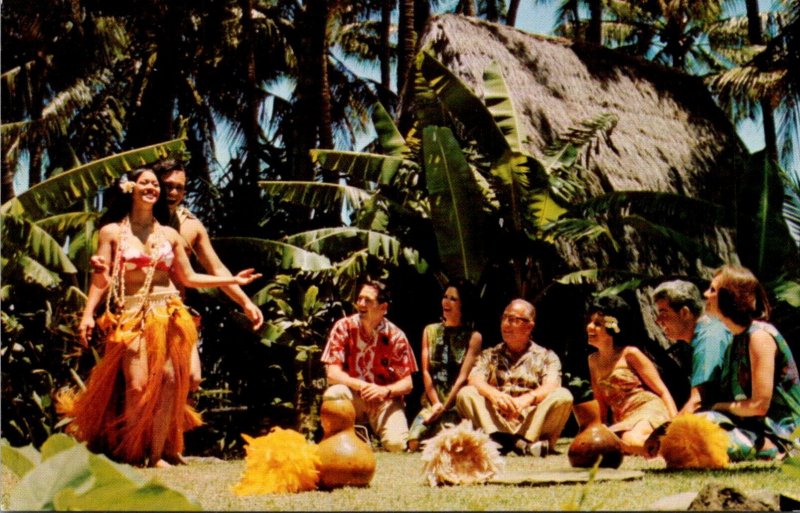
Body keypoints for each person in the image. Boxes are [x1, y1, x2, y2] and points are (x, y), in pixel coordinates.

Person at [57, 167, 261, 468]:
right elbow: (102, 280)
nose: (153, 189)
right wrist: (88, 314)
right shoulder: (112, 232)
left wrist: (233, 283)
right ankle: (132, 451)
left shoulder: (171, 234)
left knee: (169, 380)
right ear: (130, 188)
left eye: (155, 184)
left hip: (169, 311)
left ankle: (156, 455)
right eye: (146, 183)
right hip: (131, 313)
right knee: (137, 385)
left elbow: (189, 277)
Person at [700, 264, 800, 460]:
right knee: (696, 426)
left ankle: (779, 451)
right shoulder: (736, 339)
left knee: (704, 430)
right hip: (753, 427)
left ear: (730, 296)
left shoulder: (759, 337)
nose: (705, 294)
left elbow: (759, 406)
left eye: (713, 290)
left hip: (782, 433)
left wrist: (719, 407)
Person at [153, 158, 264, 330]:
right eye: (168, 186)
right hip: (133, 312)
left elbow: (217, 268)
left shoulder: (191, 226)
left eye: (179, 188)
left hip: (174, 313)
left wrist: (245, 303)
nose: (173, 193)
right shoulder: (131, 223)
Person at [456, 299, 573, 456]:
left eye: (513, 319)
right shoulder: (489, 355)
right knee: (467, 393)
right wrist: (495, 395)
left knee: (563, 395)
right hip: (495, 422)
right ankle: (509, 442)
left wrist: (527, 399)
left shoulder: (547, 356)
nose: (505, 324)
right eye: (504, 318)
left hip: (530, 423)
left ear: (529, 326)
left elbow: (552, 385)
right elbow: (474, 379)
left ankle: (523, 441)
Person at [320, 280, 418, 452]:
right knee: (334, 394)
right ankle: (340, 442)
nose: (361, 304)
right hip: (352, 396)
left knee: (396, 445)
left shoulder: (396, 336)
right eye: (360, 299)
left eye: (368, 300)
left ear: (383, 308)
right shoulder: (343, 327)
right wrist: (363, 386)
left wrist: (384, 391)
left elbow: (407, 383)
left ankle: (369, 436)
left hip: (384, 400)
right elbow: (332, 374)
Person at [586, 295, 677, 456]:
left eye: (597, 324)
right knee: (603, 444)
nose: (590, 327)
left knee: (630, 439)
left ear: (613, 328)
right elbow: (600, 401)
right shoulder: (592, 361)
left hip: (648, 410)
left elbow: (662, 391)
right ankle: (658, 449)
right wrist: (600, 429)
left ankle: (668, 448)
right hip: (624, 420)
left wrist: (675, 424)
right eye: (590, 322)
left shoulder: (630, 354)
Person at [407, 280, 483, 452]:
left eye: (453, 299)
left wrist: (444, 407)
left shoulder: (474, 337)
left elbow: (463, 378)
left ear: (464, 304)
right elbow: (426, 371)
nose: (446, 302)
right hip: (432, 403)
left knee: (451, 443)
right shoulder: (430, 331)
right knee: (414, 441)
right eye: (445, 297)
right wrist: (435, 404)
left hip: (456, 404)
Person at [652, 280, 732, 414]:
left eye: (663, 312)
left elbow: (698, 402)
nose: (658, 320)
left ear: (684, 312)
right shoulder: (708, 331)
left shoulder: (709, 339)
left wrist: (669, 432)